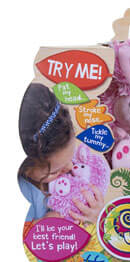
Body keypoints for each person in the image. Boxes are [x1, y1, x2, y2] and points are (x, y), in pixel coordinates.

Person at [18, 83, 104, 222]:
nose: (71, 167)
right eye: (54, 171)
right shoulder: (22, 193)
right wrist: (40, 226)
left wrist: (96, 215)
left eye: (70, 157)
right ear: (23, 166)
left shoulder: (68, 162)